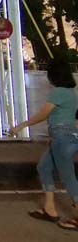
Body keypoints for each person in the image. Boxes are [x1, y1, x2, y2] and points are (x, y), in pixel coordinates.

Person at [11, 59, 78, 231]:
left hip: (61, 138)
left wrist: (23, 125)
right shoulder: (71, 93)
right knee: (44, 167)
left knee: (68, 177)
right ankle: (49, 209)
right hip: (65, 137)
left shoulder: (58, 92)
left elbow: (44, 114)